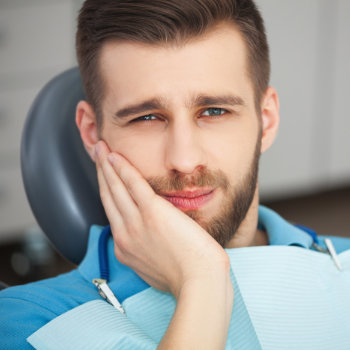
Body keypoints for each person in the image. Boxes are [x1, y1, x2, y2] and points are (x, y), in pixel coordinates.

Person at [1, 0, 350, 349]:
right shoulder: (26, 322)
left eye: (214, 111)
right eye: (147, 117)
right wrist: (202, 282)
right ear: (92, 133)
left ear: (267, 120)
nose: (184, 160)